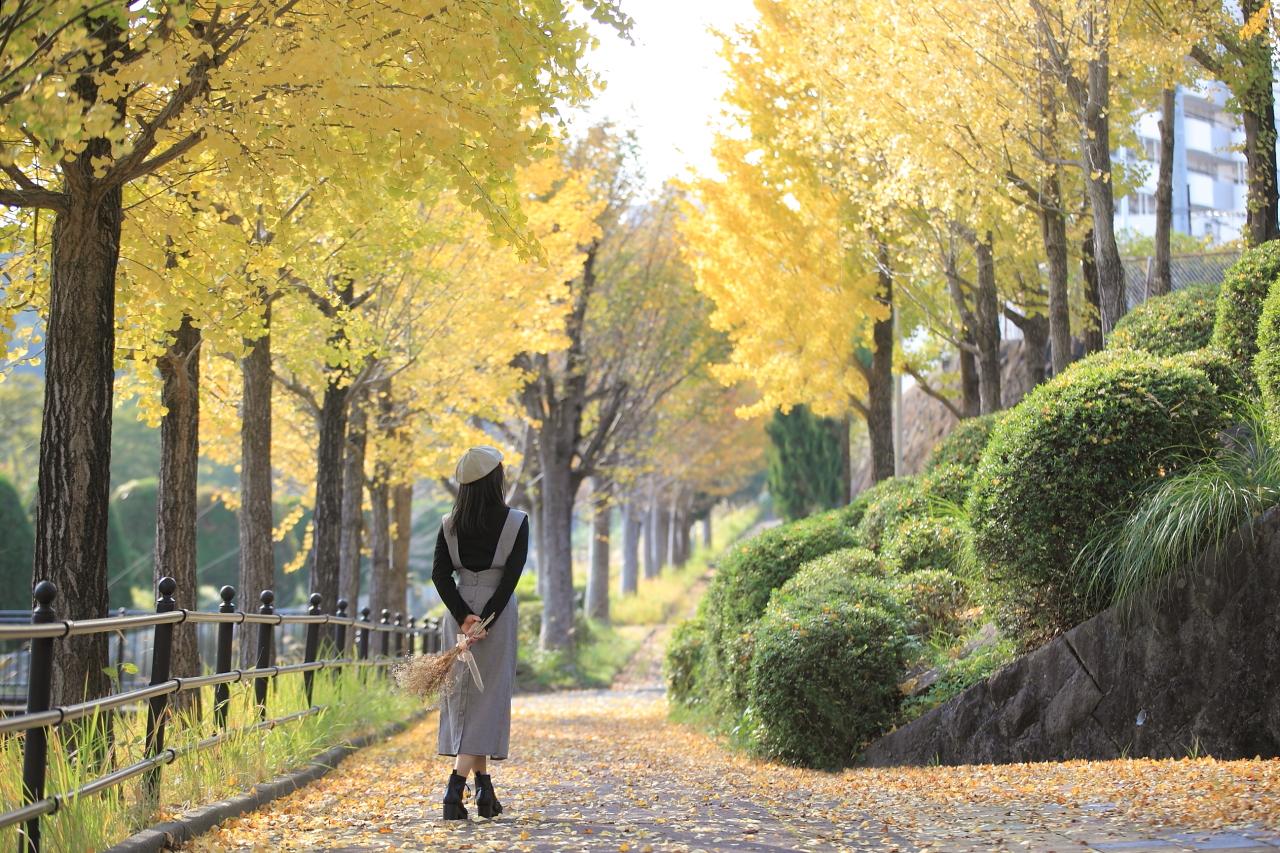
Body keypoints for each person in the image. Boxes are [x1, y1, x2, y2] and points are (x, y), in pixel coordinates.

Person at [432, 445, 528, 821]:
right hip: (497, 615)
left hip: (457, 614)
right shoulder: (516, 521)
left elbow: (440, 575)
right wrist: (485, 619)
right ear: (495, 480)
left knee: (466, 700)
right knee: (486, 701)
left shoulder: (448, 523)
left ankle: (485, 790)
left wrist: (463, 617)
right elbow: (510, 578)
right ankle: (454, 791)